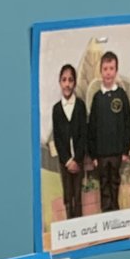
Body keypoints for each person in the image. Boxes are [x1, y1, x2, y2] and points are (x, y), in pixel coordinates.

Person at [88, 50, 130, 218]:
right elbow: (92, 127)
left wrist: (125, 150)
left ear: (116, 71)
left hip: (117, 152)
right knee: (104, 183)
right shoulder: (97, 98)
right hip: (101, 154)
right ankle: (106, 214)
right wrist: (93, 154)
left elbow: (127, 124)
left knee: (114, 182)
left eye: (111, 68)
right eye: (105, 68)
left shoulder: (122, 96)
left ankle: (116, 214)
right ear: (101, 71)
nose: (108, 72)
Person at [50, 63, 89, 222]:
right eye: (64, 80)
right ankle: (69, 227)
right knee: (68, 195)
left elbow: (83, 135)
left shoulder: (80, 106)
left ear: (75, 83)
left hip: (78, 161)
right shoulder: (56, 109)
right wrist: (67, 160)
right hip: (65, 162)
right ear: (60, 82)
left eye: (70, 80)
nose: (67, 84)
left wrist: (77, 159)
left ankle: (79, 227)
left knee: (77, 196)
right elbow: (58, 138)